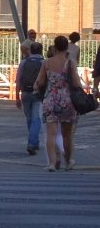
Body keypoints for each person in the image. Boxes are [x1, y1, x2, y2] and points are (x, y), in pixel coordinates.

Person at [34, 35, 82, 172]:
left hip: (51, 100)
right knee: (67, 135)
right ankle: (68, 162)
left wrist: (37, 87)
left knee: (51, 134)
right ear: (66, 47)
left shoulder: (47, 62)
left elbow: (40, 82)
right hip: (67, 101)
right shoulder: (70, 63)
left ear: (54, 47)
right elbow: (76, 83)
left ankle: (52, 164)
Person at [15, 41, 44, 155]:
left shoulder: (23, 63)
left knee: (29, 118)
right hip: (37, 93)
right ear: (41, 51)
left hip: (25, 93)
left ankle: (34, 141)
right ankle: (32, 143)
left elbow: (18, 80)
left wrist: (17, 97)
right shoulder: (43, 63)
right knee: (36, 118)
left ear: (30, 50)